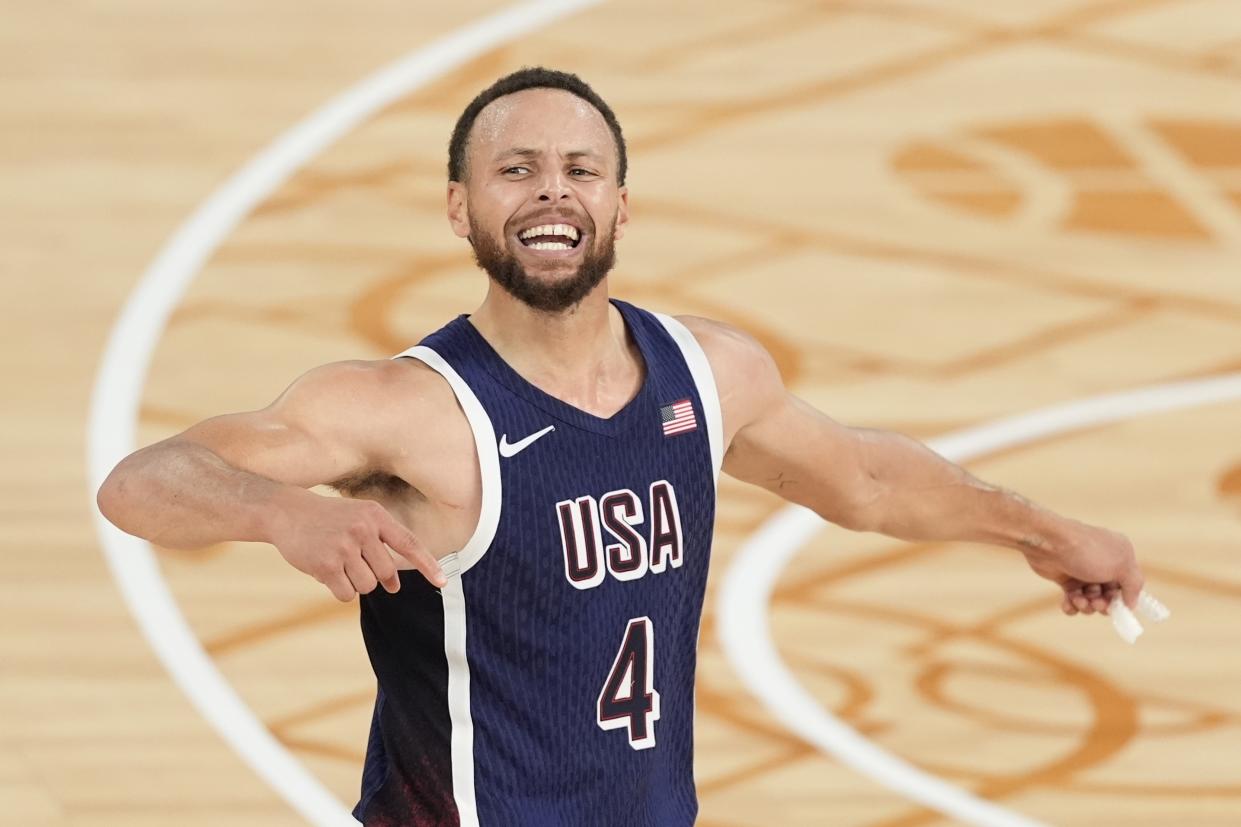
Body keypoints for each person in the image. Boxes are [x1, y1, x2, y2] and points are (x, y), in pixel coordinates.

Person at [96, 67, 1145, 826]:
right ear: (461, 209)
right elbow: (139, 481)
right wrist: (282, 511)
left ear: (618, 204)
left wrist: (1042, 529)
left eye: (578, 169)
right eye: (515, 170)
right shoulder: (404, 408)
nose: (551, 189)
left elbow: (866, 477)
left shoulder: (707, 372)